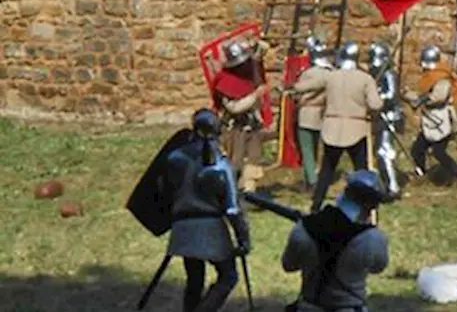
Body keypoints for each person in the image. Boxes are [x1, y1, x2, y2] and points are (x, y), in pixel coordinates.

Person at [161, 109, 250, 312]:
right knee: (228, 276)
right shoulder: (220, 165)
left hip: (182, 224)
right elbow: (232, 208)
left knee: (194, 278)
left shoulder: (175, 157)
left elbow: (166, 191)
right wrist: (243, 239)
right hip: (210, 226)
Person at [282, 169, 390, 312]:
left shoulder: (304, 229)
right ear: (372, 206)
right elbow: (378, 267)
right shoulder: (373, 239)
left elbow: (289, 265)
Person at [311, 42, 384, 213]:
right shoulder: (365, 78)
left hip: (332, 129)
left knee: (326, 172)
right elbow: (375, 104)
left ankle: (316, 205)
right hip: (356, 129)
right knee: (361, 171)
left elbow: (308, 87)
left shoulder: (330, 77)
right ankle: (365, 206)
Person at [211, 41, 270, 193]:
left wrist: (259, 48)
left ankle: (249, 191)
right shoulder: (224, 81)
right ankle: (230, 191)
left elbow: (259, 56)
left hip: (252, 126)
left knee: (253, 158)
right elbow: (234, 108)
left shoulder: (249, 75)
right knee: (234, 162)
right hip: (235, 128)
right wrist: (255, 95)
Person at [405, 45, 457, 184]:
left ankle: (456, 174)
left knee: (439, 152)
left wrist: (422, 100)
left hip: (442, 119)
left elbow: (439, 96)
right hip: (430, 120)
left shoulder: (442, 77)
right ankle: (421, 173)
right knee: (417, 149)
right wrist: (407, 95)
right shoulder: (429, 77)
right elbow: (423, 96)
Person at [290, 40, 334, 191]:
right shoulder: (331, 73)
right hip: (324, 113)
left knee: (307, 150)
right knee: (316, 148)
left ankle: (313, 180)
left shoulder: (308, 74)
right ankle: (314, 176)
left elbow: (298, 93)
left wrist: (294, 90)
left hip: (307, 112)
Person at [368, 42, 403, 199]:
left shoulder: (389, 74)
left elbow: (392, 96)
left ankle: (393, 187)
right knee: (379, 152)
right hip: (380, 116)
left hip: (389, 116)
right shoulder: (375, 74)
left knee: (385, 151)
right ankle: (385, 183)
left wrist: (377, 97)